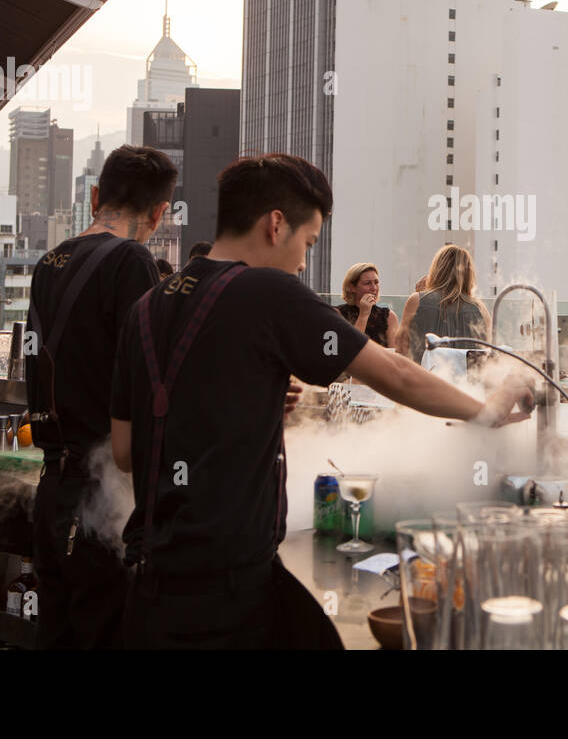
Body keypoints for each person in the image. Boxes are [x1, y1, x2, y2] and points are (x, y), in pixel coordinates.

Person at [110, 154, 534, 649]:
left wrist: (248, 401)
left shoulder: (147, 306)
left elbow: (126, 452)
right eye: (308, 242)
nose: (304, 262)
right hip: (224, 592)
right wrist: (485, 409)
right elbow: (394, 372)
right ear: (275, 224)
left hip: (151, 585)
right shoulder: (267, 290)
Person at [25, 145, 177, 649]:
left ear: (95, 197)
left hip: (51, 490)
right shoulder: (132, 259)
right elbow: (148, 381)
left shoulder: (50, 261)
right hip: (102, 498)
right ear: (160, 212)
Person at [397, 245, 492, 363]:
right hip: (465, 381)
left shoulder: (416, 301)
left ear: (437, 269)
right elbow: (487, 358)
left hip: (422, 379)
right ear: (468, 274)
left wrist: (422, 296)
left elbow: (401, 351)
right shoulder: (481, 310)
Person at [335, 262, 400, 348]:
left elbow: (394, 353)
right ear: (352, 287)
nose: (374, 288)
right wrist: (363, 315)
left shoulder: (389, 317)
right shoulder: (338, 314)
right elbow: (349, 349)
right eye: (367, 283)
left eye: (376, 282)